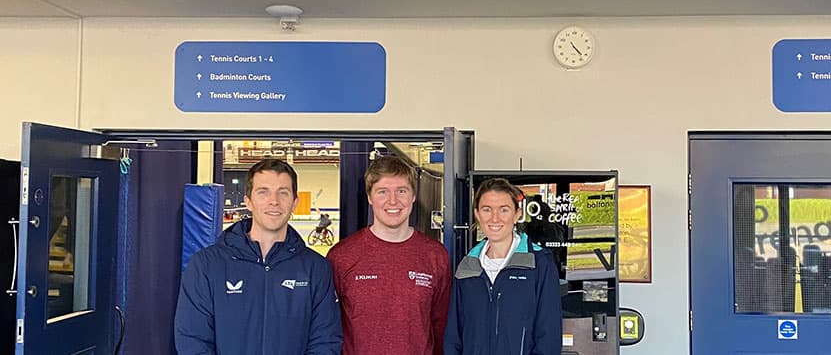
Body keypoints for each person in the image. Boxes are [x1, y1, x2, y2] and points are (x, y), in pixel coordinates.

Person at [174, 159, 342, 355]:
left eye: (283, 193)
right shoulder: (206, 265)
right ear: (248, 202)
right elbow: (193, 340)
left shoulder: (315, 268)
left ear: (295, 203)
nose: (274, 201)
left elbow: (325, 341)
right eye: (263, 192)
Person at [327, 156, 451, 355]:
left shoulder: (435, 256)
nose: (393, 201)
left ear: (413, 196)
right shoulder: (341, 256)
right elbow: (329, 330)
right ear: (370, 197)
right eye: (382, 192)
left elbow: (441, 327)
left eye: (401, 191)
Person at [444, 178, 561, 355]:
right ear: (477, 214)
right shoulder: (467, 268)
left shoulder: (539, 264)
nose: (495, 218)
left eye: (504, 210)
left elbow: (548, 337)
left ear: (517, 214)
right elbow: (454, 337)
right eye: (487, 210)